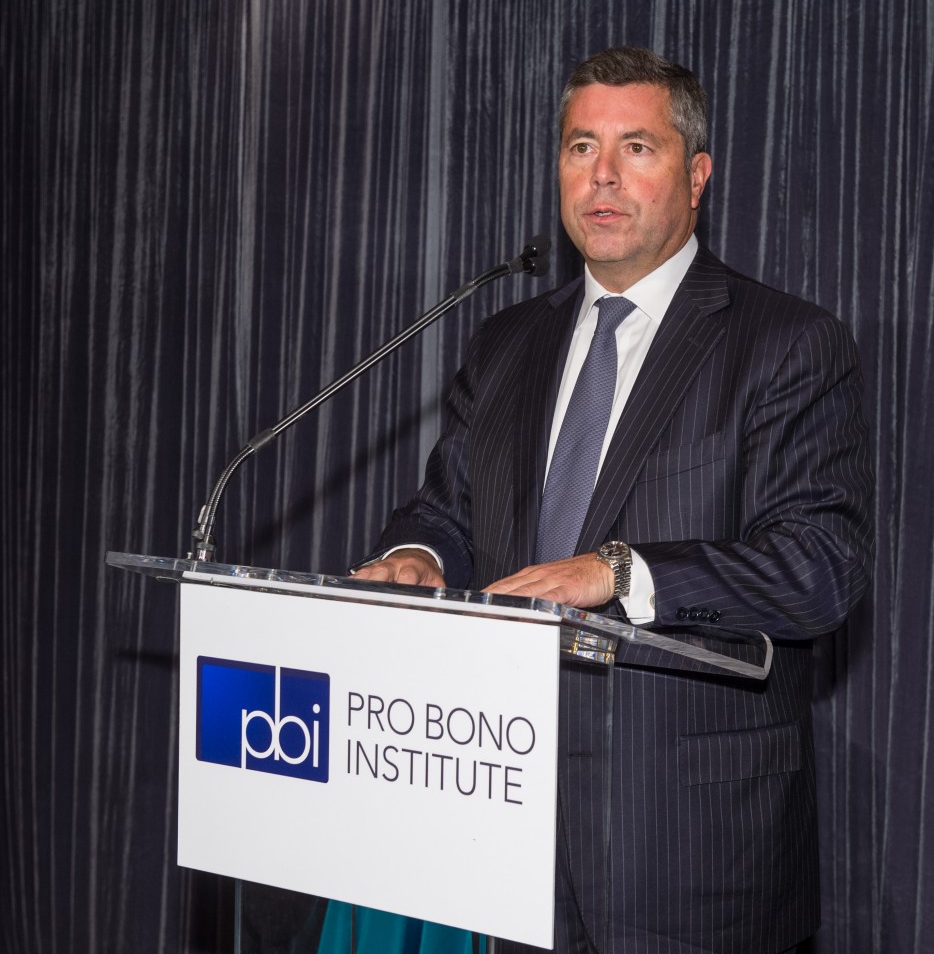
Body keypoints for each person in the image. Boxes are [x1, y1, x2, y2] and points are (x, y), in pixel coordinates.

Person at [353, 47, 873, 954]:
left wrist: (620, 571)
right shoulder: (506, 340)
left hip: (688, 856)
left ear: (697, 175)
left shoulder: (785, 343)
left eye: (636, 147)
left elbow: (820, 568)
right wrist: (418, 557)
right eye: (580, 146)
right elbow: (447, 508)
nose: (602, 175)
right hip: (497, 825)